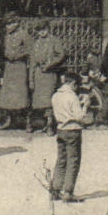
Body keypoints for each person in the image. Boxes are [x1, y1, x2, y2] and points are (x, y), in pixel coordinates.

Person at [51, 70, 86, 202]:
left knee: (61, 160)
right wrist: (85, 106)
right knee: (73, 161)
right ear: (73, 84)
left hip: (60, 129)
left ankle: (55, 189)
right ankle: (68, 192)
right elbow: (79, 117)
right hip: (73, 130)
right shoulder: (72, 97)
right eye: (77, 86)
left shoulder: (55, 96)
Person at [30, 20, 65, 134]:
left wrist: (50, 64)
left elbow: (61, 55)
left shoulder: (54, 41)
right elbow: (32, 62)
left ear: (47, 29)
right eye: (39, 31)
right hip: (39, 74)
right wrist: (31, 79)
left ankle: (50, 125)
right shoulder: (36, 43)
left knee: (49, 100)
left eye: (43, 30)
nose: (42, 32)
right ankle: (39, 123)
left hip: (50, 74)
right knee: (38, 101)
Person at [0, 18, 33, 132]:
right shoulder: (6, 36)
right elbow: (3, 50)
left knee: (22, 94)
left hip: (20, 66)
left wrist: (18, 55)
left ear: (16, 23)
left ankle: (28, 122)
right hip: (9, 67)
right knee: (7, 95)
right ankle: (8, 120)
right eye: (7, 24)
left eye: (10, 24)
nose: (8, 27)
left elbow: (30, 50)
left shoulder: (24, 34)